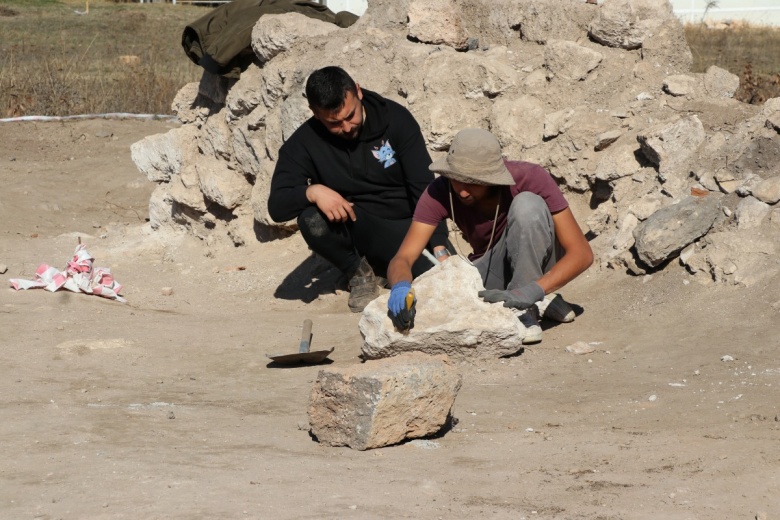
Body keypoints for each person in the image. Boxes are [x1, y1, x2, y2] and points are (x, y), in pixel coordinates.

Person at [386, 128, 594, 344]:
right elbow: (403, 257)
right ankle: (539, 297)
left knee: (527, 206)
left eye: (473, 182)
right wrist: (400, 287)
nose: (463, 192)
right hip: (491, 268)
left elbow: (582, 253)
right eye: (457, 180)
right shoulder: (439, 191)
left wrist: (531, 291)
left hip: (543, 257)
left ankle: (528, 307)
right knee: (449, 298)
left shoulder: (530, 178)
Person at [268, 66, 449, 312]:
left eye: (350, 115)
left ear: (358, 92)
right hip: (358, 229)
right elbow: (277, 206)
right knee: (311, 219)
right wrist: (312, 191)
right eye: (334, 123)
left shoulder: (396, 119)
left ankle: (387, 269)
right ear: (315, 114)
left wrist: (439, 243)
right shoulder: (304, 143)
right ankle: (359, 272)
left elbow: (424, 188)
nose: (346, 127)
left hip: (406, 231)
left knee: (438, 285)